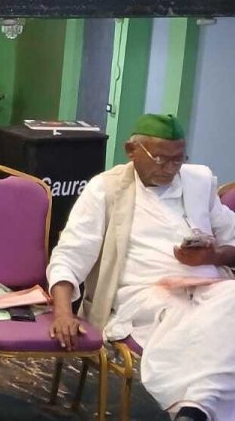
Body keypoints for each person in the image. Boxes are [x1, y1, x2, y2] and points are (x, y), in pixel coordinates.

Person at [47, 114, 235, 421]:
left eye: (178, 159)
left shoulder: (199, 182)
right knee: (202, 327)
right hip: (146, 295)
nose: (171, 169)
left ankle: (195, 408)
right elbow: (70, 254)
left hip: (211, 291)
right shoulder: (106, 189)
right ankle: (197, 407)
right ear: (131, 150)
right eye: (161, 159)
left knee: (229, 303)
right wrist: (63, 313)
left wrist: (212, 257)